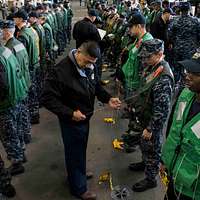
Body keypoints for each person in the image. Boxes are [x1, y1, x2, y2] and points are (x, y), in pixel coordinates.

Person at [41, 41, 121, 200]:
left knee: (79, 149)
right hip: (71, 121)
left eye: (92, 62)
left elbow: (95, 86)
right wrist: (70, 113)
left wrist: (108, 99)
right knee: (74, 150)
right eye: (86, 61)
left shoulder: (89, 65)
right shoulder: (60, 71)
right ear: (78, 52)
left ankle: (78, 172)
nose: (89, 65)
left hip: (84, 118)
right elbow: (47, 98)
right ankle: (78, 188)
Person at [129, 39, 174, 192]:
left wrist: (151, 128)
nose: (144, 59)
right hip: (145, 115)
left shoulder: (164, 77)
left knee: (153, 149)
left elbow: (162, 109)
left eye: (148, 57)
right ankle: (145, 163)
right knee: (145, 145)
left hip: (153, 122)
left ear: (159, 54)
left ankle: (151, 179)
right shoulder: (153, 66)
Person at [161, 50, 200, 200]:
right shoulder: (185, 94)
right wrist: (166, 160)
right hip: (175, 174)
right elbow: (173, 129)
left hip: (193, 189)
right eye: (187, 70)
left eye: (194, 73)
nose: (187, 76)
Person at [2, 20, 31, 146]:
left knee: (16, 121)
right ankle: (25, 136)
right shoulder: (17, 43)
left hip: (16, 89)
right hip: (23, 84)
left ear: (6, 31)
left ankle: (20, 145)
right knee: (22, 114)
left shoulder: (8, 48)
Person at [13, 9, 40, 125]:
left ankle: (33, 116)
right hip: (35, 63)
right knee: (33, 90)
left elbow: (21, 57)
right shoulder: (31, 30)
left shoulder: (22, 36)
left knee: (29, 92)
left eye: (15, 18)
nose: (14, 20)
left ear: (19, 19)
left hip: (29, 68)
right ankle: (35, 114)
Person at [169, 2, 200, 85]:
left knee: (176, 69)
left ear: (179, 9)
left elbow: (170, 34)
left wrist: (174, 42)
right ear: (189, 9)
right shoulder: (196, 21)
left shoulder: (175, 20)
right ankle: (186, 86)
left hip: (177, 48)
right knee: (189, 70)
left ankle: (175, 85)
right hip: (190, 49)